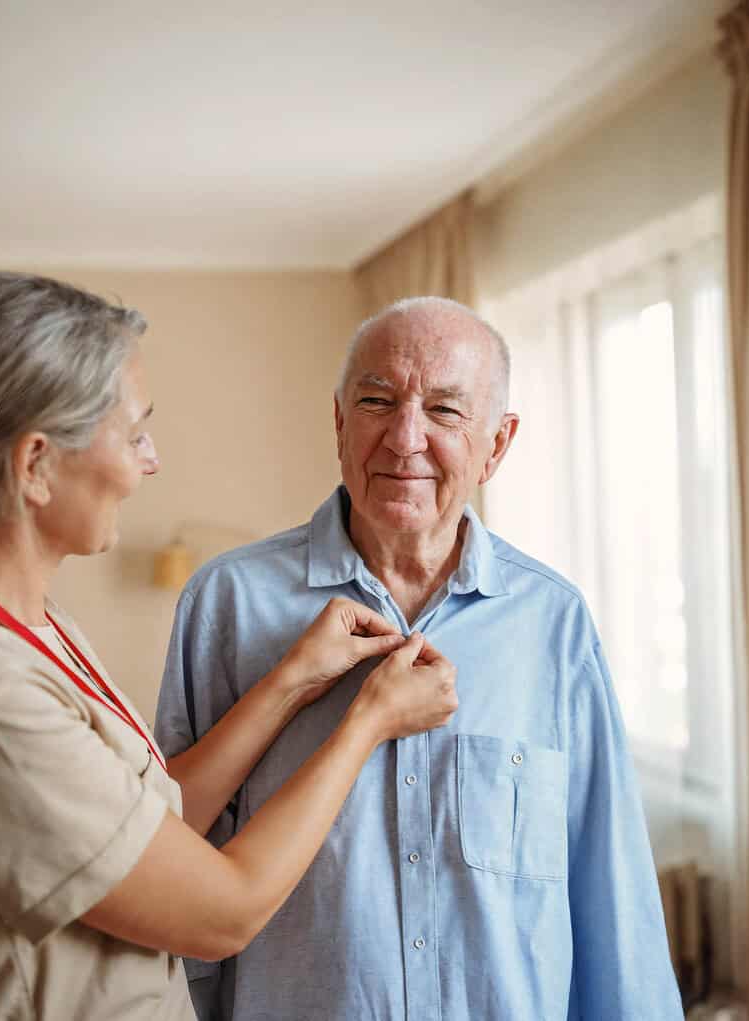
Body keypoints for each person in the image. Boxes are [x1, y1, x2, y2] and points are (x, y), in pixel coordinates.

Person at [0, 272, 459, 1021]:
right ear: (34, 464)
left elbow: (155, 822)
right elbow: (223, 912)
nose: (150, 462)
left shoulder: (24, 623)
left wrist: (291, 681)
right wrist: (368, 722)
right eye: (133, 434)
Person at [155, 295, 684, 1020]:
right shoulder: (227, 604)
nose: (405, 439)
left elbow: (610, 894)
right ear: (340, 421)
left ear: (497, 444)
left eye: (444, 411)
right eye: (378, 400)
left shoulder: (553, 623)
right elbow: (176, 874)